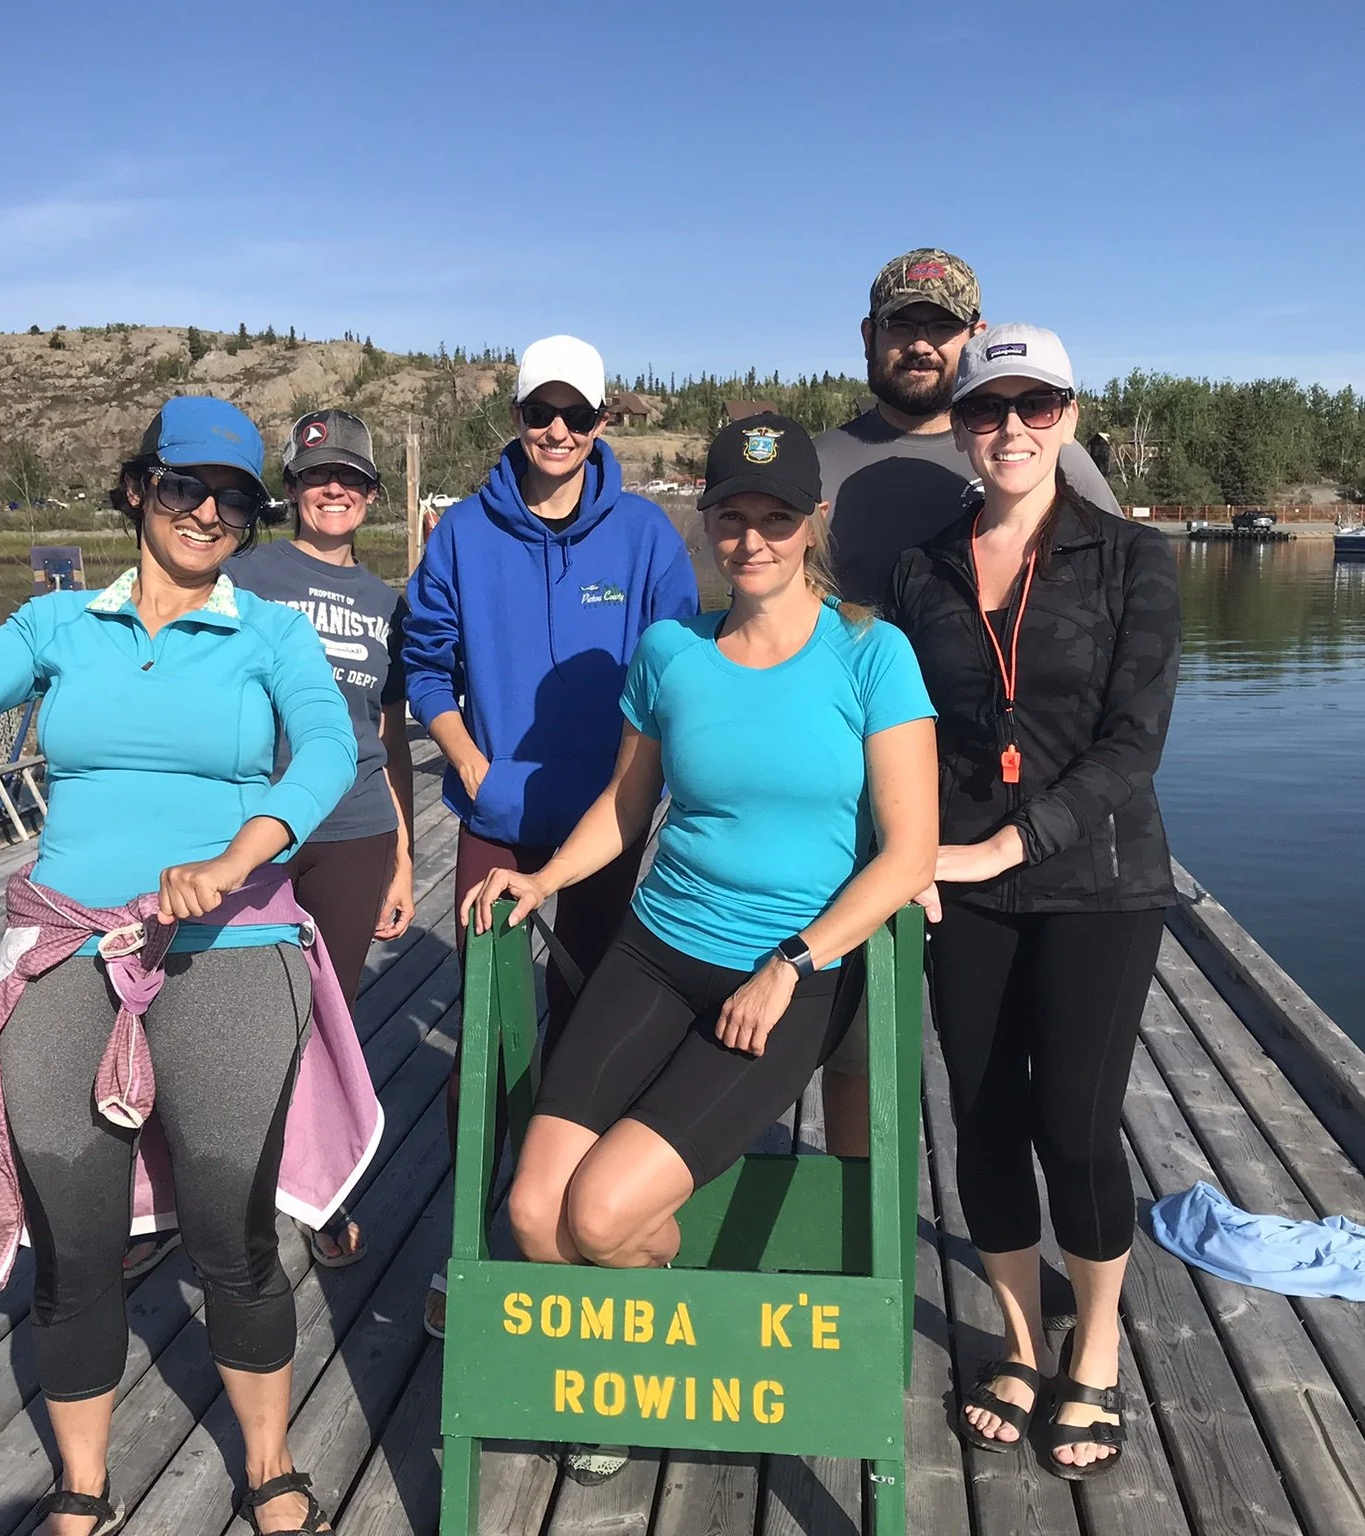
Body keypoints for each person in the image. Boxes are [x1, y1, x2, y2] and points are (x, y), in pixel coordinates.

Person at [0, 396, 363, 1536]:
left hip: (230, 939)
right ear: (139, 485)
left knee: (229, 1232)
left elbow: (331, 749)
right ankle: (82, 1484)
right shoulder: (58, 625)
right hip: (66, 941)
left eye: (234, 498)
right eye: (184, 486)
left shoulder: (271, 633)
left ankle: (267, 1462)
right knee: (75, 1234)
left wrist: (240, 853)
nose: (207, 512)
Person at [466, 411, 937, 1280]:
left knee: (601, 1217)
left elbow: (909, 855)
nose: (751, 539)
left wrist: (793, 962)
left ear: (814, 522)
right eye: (731, 516)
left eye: (777, 517)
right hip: (657, 951)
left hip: (792, 973)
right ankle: (622, 1373)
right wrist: (542, 879)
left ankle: (665, 1350)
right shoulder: (671, 651)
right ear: (706, 520)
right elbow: (624, 803)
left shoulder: (874, 652)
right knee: (534, 1214)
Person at [890, 327, 1181, 1480]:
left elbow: (1132, 746)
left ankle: (1095, 1344)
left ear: (1065, 414)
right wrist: (903, 857)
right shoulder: (922, 569)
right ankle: (1018, 1339)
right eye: (983, 409)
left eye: (1033, 405)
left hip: (1097, 879)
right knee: (981, 1119)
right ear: (959, 425)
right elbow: (898, 735)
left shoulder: (1130, 558)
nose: (1008, 427)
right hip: (956, 883)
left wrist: (1005, 843)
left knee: (1072, 1119)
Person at [403, 333, 699, 1338]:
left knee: (590, 1032)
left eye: (578, 415)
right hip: (494, 819)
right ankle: (469, 1249)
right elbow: (425, 665)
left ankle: (577, 1239)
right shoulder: (459, 534)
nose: (559, 432)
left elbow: (674, 677)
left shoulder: (647, 537)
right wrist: (466, 755)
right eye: (541, 414)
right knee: (483, 1033)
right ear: (517, 418)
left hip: (603, 828)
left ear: (604, 422)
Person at [814, 247, 1125, 1159]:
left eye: (939, 328)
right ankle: (855, 1235)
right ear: (869, 338)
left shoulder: (1037, 455)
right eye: (901, 326)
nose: (919, 344)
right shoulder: (819, 469)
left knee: (1019, 1058)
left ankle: (1057, 1233)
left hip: (999, 824)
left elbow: (1111, 628)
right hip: (853, 810)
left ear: (974, 337)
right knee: (856, 1036)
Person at [225, 409, 415, 1272]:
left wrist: (404, 857)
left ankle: (318, 1188)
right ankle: (212, 1185)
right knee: (225, 1006)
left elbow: (391, 733)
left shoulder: (388, 604)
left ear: (370, 496)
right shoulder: (241, 574)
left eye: (350, 478)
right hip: (252, 829)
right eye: (314, 476)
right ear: (292, 491)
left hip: (355, 829)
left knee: (321, 1014)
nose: (332, 489)